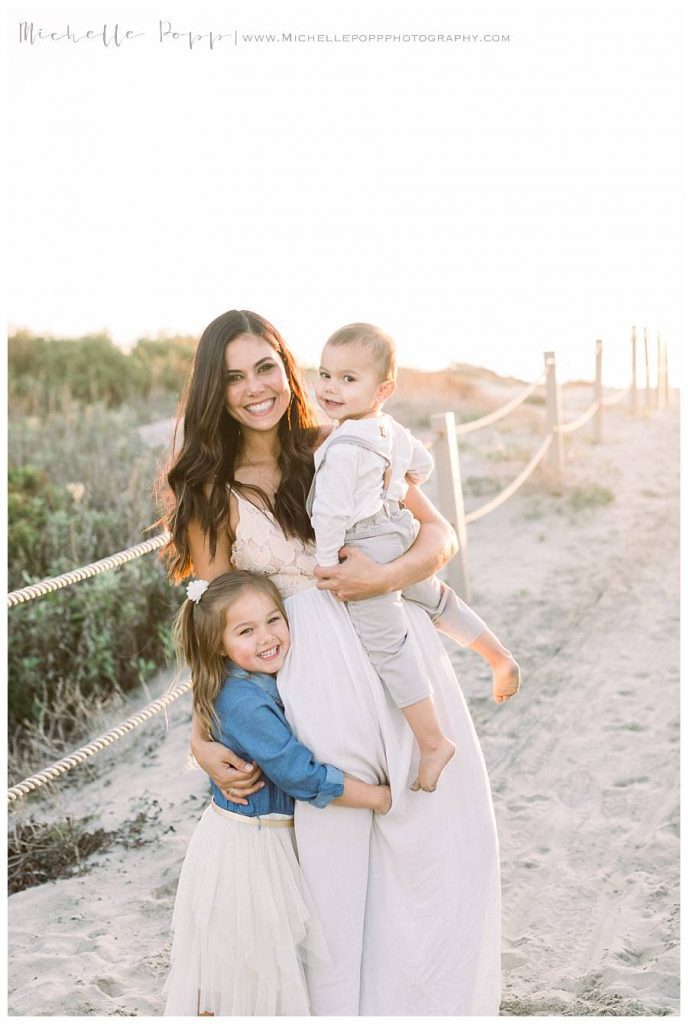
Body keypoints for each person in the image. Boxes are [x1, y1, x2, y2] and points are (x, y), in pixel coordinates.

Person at [163, 308, 520, 1015]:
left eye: (265, 366)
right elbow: (214, 626)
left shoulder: (345, 439)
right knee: (335, 894)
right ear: (215, 389)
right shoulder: (209, 489)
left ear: (287, 366)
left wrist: (382, 579)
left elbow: (438, 536)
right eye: (232, 377)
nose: (254, 388)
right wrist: (203, 735)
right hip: (313, 699)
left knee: (447, 852)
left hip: (404, 674)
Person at [163, 570, 391, 1017]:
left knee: (250, 973)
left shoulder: (259, 679)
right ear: (218, 644)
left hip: (260, 840)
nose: (267, 638)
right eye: (246, 631)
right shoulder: (244, 700)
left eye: (274, 620)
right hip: (251, 850)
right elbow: (299, 775)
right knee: (247, 973)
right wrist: (377, 797)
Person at [309, 322, 513, 793]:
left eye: (347, 378)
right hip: (398, 528)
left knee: (387, 643)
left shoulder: (342, 447)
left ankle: (433, 740)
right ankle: (496, 654)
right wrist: (395, 484)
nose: (330, 388)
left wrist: (327, 563)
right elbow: (423, 465)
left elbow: (329, 512)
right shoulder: (388, 428)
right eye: (325, 375)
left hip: (364, 544)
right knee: (436, 597)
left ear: (383, 389)